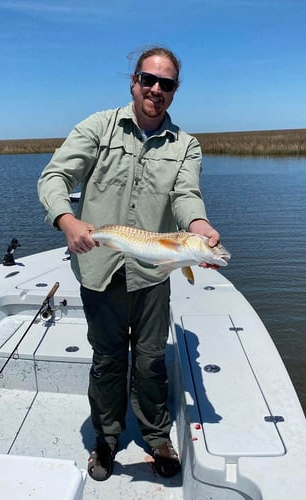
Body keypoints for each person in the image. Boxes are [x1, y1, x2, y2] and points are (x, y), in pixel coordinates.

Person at [38, 46, 221, 481]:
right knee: (107, 359)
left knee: (151, 358)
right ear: (133, 81)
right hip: (99, 268)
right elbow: (55, 177)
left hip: (153, 271)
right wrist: (67, 221)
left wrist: (201, 229)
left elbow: (185, 196)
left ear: (175, 91)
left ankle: (157, 438)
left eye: (167, 83)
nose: (156, 89)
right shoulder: (99, 127)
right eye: (148, 79)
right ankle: (105, 439)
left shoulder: (186, 146)